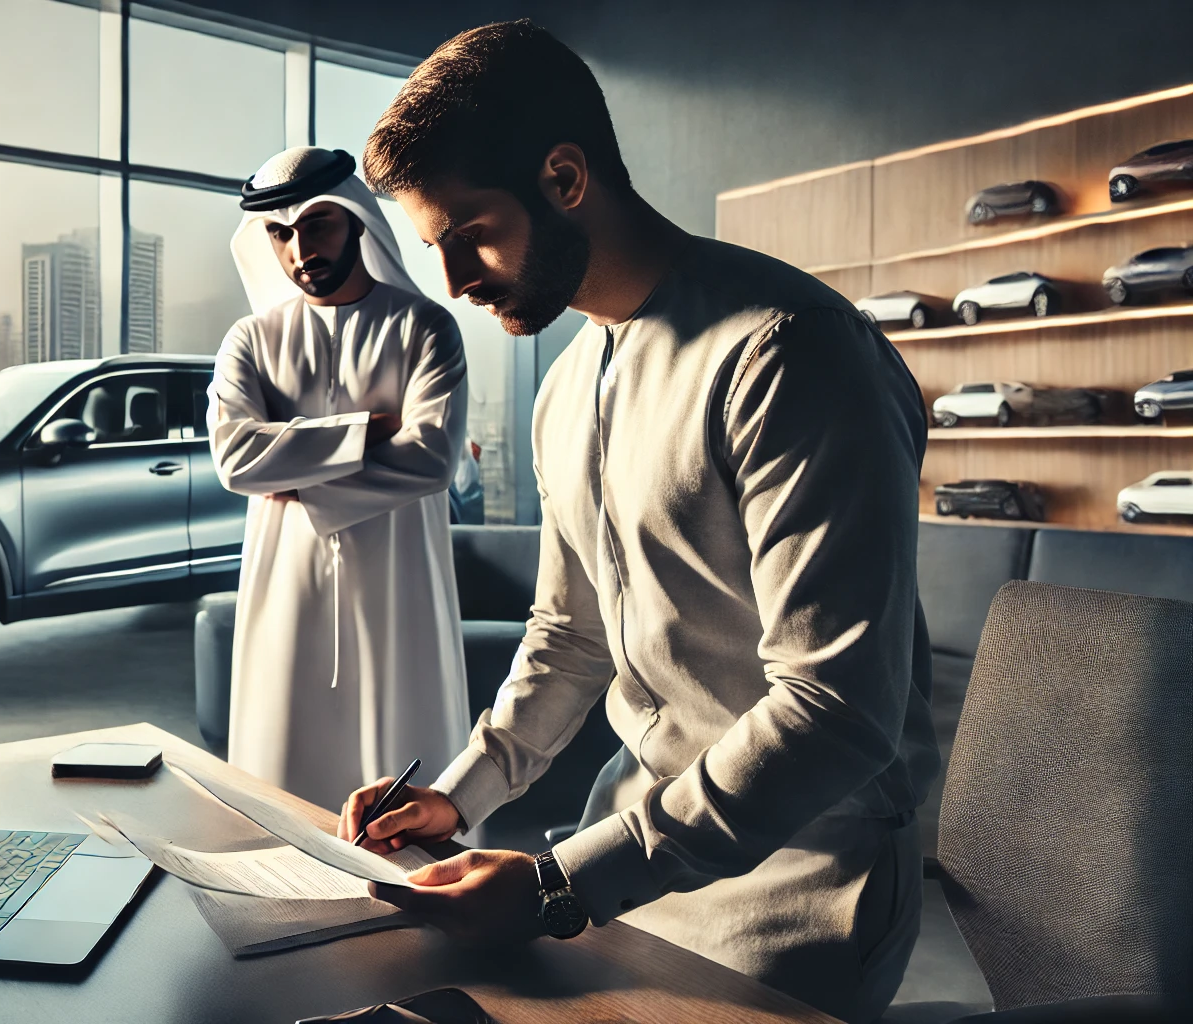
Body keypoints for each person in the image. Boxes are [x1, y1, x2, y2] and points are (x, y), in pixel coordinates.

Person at [336, 22, 938, 1024]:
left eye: (470, 233)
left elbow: (837, 708)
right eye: (434, 248)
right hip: (615, 870)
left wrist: (557, 882)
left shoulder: (790, 355)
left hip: (795, 900)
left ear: (565, 178)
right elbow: (569, 638)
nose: (454, 281)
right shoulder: (564, 387)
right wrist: (458, 795)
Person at [208, 146, 471, 810]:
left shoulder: (425, 328)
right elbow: (237, 459)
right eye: (280, 233)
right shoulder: (250, 340)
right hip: (284, 581)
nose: (300, 250)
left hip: (399, 580)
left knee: (403, 763)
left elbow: (434, 458)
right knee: (280, 776)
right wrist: (368, 430)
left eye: (318, 225)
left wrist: (296, 474)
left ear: (356, 221)